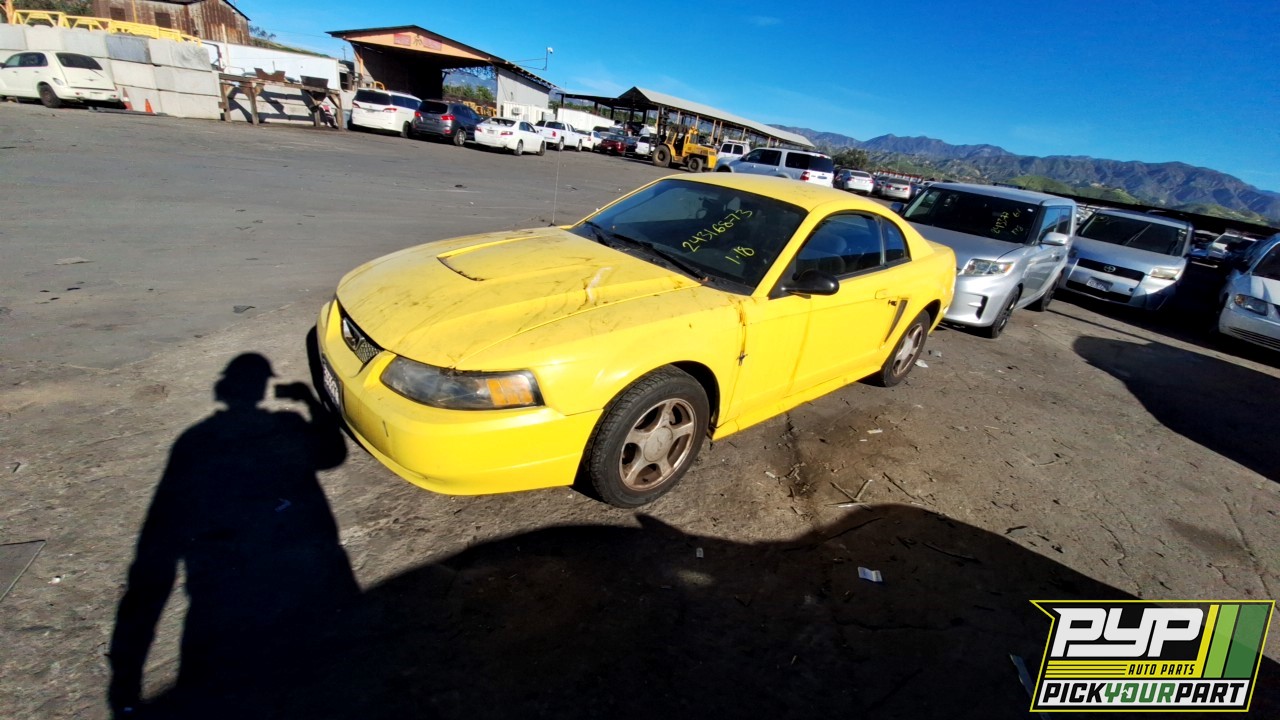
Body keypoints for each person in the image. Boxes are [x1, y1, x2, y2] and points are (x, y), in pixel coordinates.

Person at [108, 353, 356, 718]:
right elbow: (332, 455)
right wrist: (308, 401)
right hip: (284, 571)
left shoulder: (194, 441)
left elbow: (158, 538)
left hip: (221, 587)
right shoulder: (285, 425)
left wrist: (125, 681)